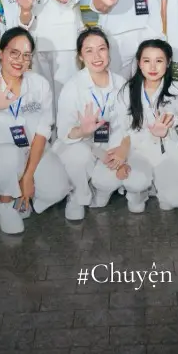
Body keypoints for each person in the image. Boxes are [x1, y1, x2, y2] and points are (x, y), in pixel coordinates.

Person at [0, 27, 71, 235]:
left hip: (31, 151)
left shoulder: (39, 84)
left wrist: (28, 176)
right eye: (14, 53)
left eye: (26, 55)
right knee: (10, 155)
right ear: (1, 53)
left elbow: (43, 131)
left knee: (58, 189)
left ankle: (24, 196)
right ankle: (6, 205)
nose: (20, 60)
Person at [95, 38, 178, 214]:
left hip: (164, 151)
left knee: (174, 200)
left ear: (168, 63)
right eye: (147, 61)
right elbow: (119, 126)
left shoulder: (176, 88)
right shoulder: (127, 90)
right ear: (139, 63)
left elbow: (174, 110)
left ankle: (157, 185)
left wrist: (165, 125)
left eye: (159, 61)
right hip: (134, 148)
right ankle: (137, 194)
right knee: (132, 181)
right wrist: (122, 155)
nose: (152, 67)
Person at [52, 28, 129, 221]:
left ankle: (101, 190)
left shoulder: (121, 83)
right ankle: (77, 196)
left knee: (110, 179)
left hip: (110, 146)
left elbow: (126, 125)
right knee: (79, 156)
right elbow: (64, 132)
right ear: (80, 56)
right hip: (81, 145)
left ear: (109, 51)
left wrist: (121, 150)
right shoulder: (72, 86)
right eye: (89, 50)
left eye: (101, 49)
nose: (97, 56)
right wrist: (82, 130)